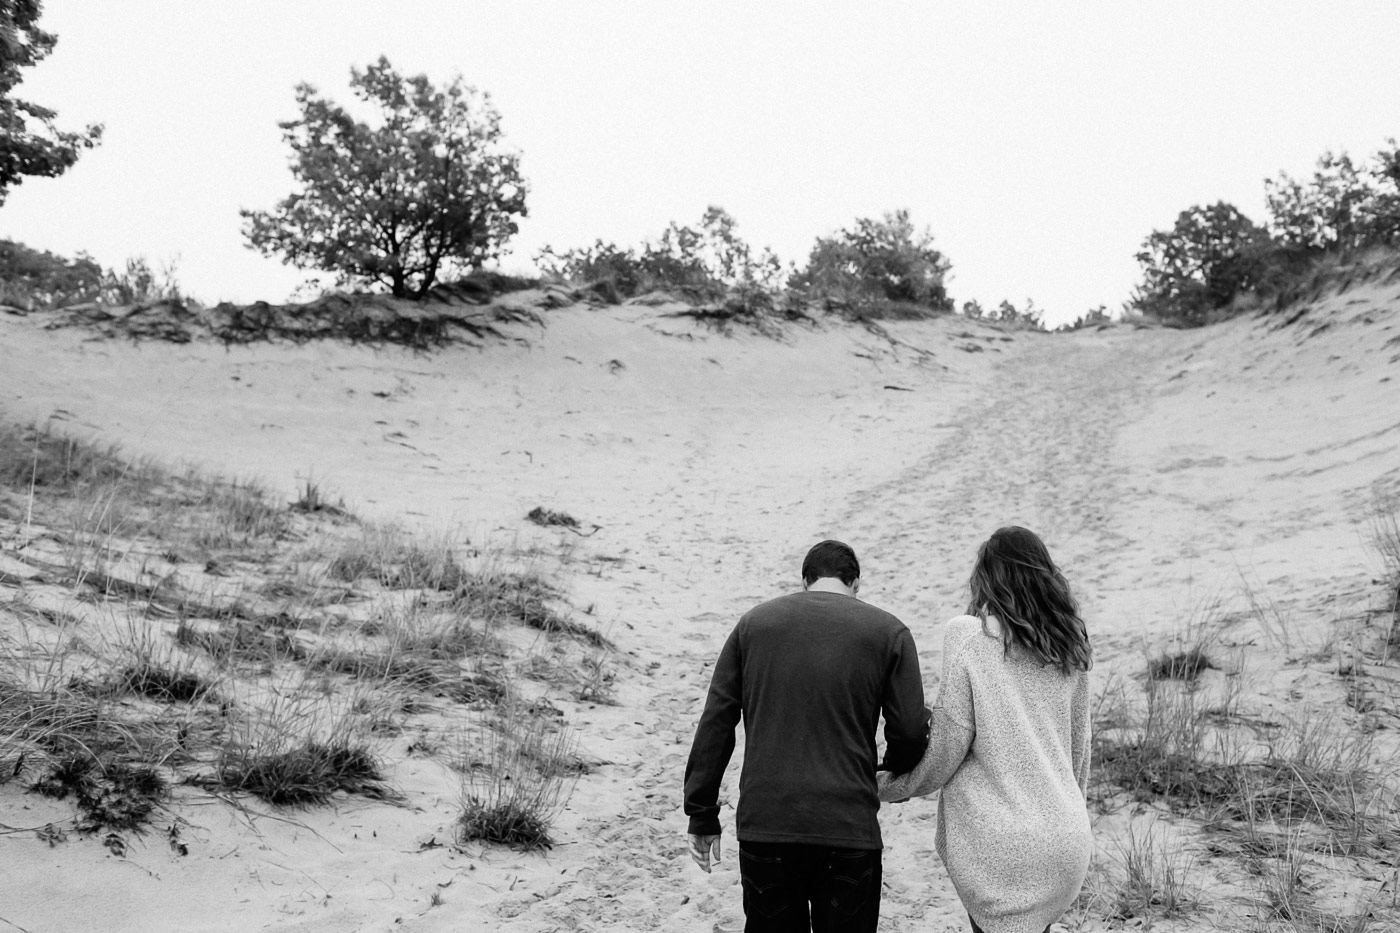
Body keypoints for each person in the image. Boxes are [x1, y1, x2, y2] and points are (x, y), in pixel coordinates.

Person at [684, 539, 929, 933]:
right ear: (856, 584)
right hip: (848, 825)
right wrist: (892, 770)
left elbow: (717, 720)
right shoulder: (888, 631)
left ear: (805, 581)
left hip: (767, 823)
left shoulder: (753, 625)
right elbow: (910, 730)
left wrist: (702, 813)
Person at [878, 526, 1093, 933]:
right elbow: (1079, 748)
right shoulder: (1072, 641)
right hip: (1067, 841)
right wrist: (1070, 818)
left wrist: (890, 786)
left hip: (1004, 845)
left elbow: (947, 748)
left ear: (986, 579)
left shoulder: (969, 636)